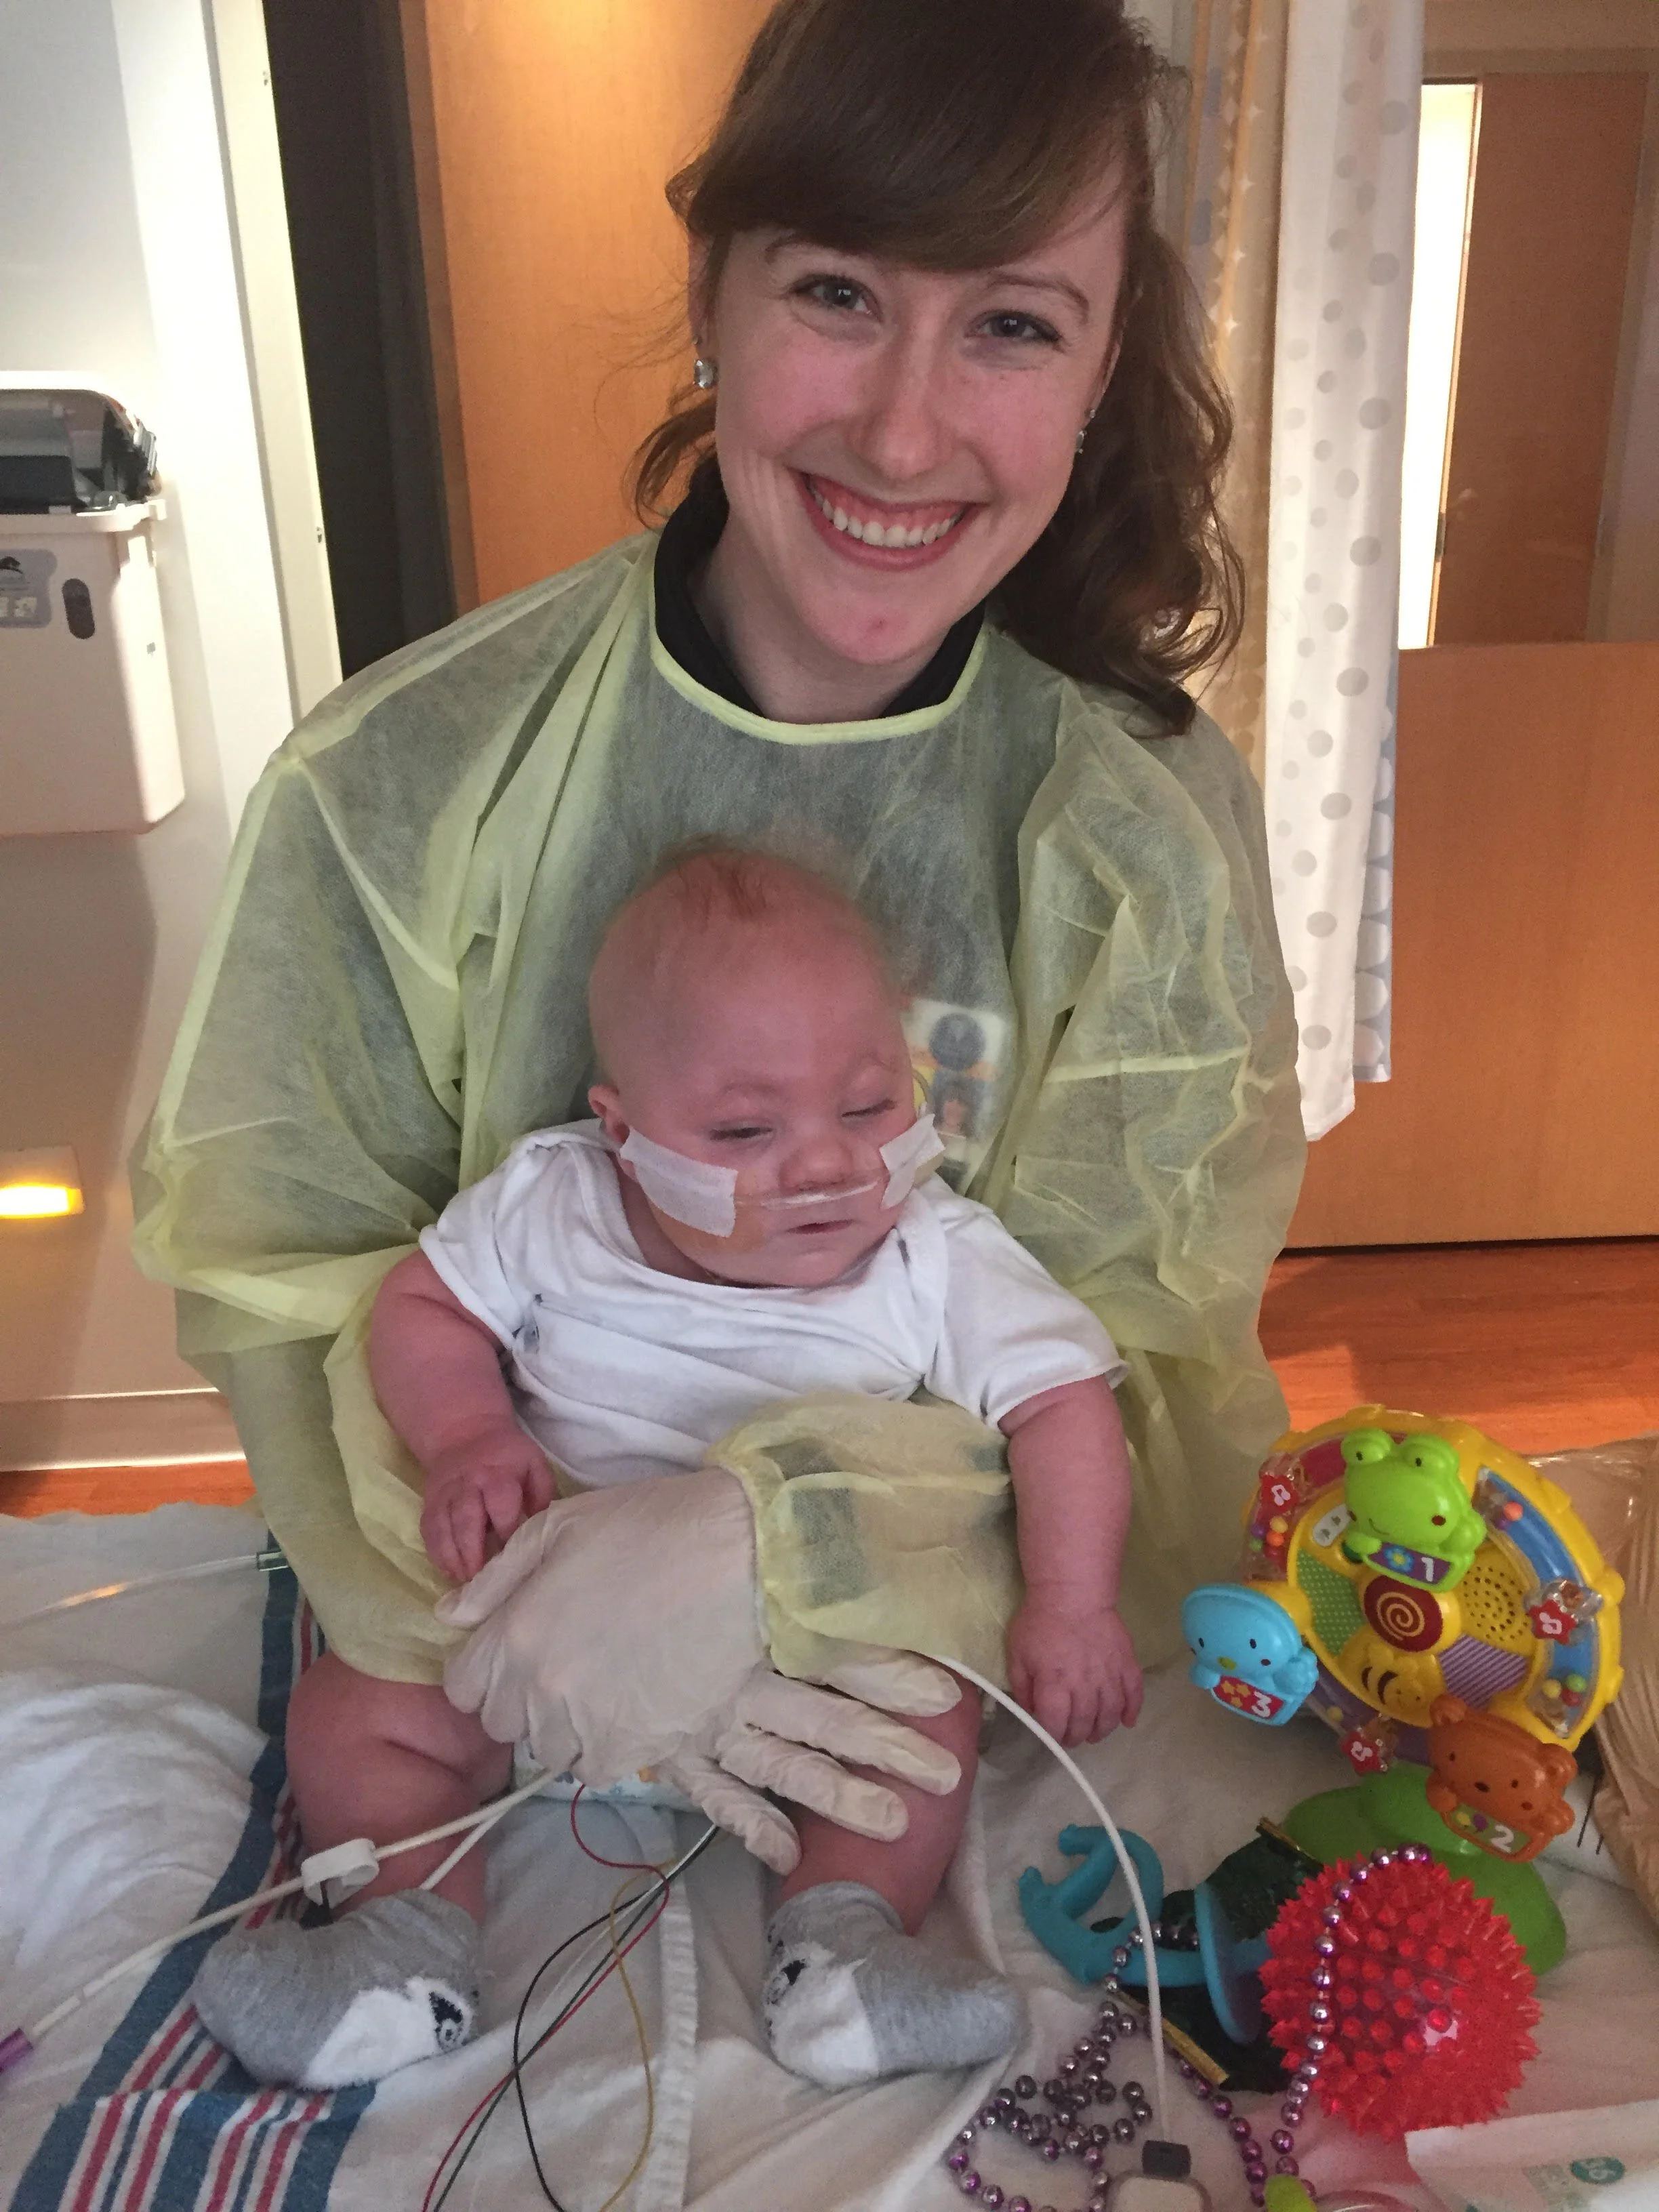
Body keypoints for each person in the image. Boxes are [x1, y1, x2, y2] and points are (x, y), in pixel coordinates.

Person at [134, 0, 1303, 2096]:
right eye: (840, 293)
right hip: (488, 1599)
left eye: (1016, 326)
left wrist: (792, 1543)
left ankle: (846, 1942)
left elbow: (1129, 1347)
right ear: (711, 295)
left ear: (1106, 363)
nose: (911, 428)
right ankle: (393, 1918)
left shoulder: (1139, 838)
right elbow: (290, 1278)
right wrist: (515, 1552)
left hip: (883, 1653)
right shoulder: (400, 787)